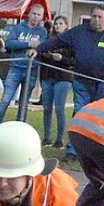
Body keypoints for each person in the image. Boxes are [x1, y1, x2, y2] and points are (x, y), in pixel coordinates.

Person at [43, 7, 104, 154]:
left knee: (99, 117)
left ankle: (95, 151)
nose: (96, 20)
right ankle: (73, 150)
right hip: (81, 81)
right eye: (94, 16)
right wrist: (38, 49)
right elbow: (57, 41)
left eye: (100, 17)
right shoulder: (79, 32)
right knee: (79, 114)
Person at [0, 4, 48, 129]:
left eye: (38, 15)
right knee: (5, 100)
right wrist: (28, 43)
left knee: (24, 103)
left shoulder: (43, 32)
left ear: (42, 17)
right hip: (15, 68)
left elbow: (41, 46)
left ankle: (19, 128)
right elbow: (9, 43)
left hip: (31, 70)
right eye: (33, 14)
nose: (35, 17)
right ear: (29, 14)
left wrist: (30, 46)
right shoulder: (18, 27)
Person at [36, 14, 73, 147]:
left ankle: (59, 139)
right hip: (47, 77)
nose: (58, 26)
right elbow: (40, 54)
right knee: (46, 108)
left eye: (61, 24)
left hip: (63, 78)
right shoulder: (49, 40)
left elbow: (74, 61)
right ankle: (46, 137)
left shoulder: (71, 41)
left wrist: (61, 58)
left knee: (59, 109)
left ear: (66, 26)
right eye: (56, 23)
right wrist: (45, 55)